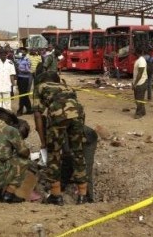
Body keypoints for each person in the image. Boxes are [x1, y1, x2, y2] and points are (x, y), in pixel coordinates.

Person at [33, 71, 88, 205]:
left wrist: (43, 141)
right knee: (78, 152)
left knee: (54, 154)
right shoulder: (67, 86)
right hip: (78, 113)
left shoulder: (40, 87)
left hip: (58, 113)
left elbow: (37, 115)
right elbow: (74, 106)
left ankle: (56, 196)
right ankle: (82, 195)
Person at [61, 125, 98, 203]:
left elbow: (67, 153)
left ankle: (88, 198)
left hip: (89, 138)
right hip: (77, 137)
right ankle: (59, 190)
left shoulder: (62, 130)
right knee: (69, 162)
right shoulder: (57, 131)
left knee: (85, 168)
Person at [16, 49, 33, 115]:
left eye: (23, 51)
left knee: (22, 95)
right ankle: (29, 109)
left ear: (26, 52)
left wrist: (20, 70)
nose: (21, 52)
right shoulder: (19, 59)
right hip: (19, 78)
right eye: (20, 51)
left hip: (25, 79)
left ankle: (20, 110)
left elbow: (28, 71)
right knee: (23, 94)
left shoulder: (27, 60)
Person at [132, 47, 148, 119]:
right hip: (138, 82)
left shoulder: (141, 60)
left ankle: (139, 113)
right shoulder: (138, 60)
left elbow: (140, 73)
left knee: (139, 99)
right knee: (139, 98)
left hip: (141, 82)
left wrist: (135, 83)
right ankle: (143, 111)